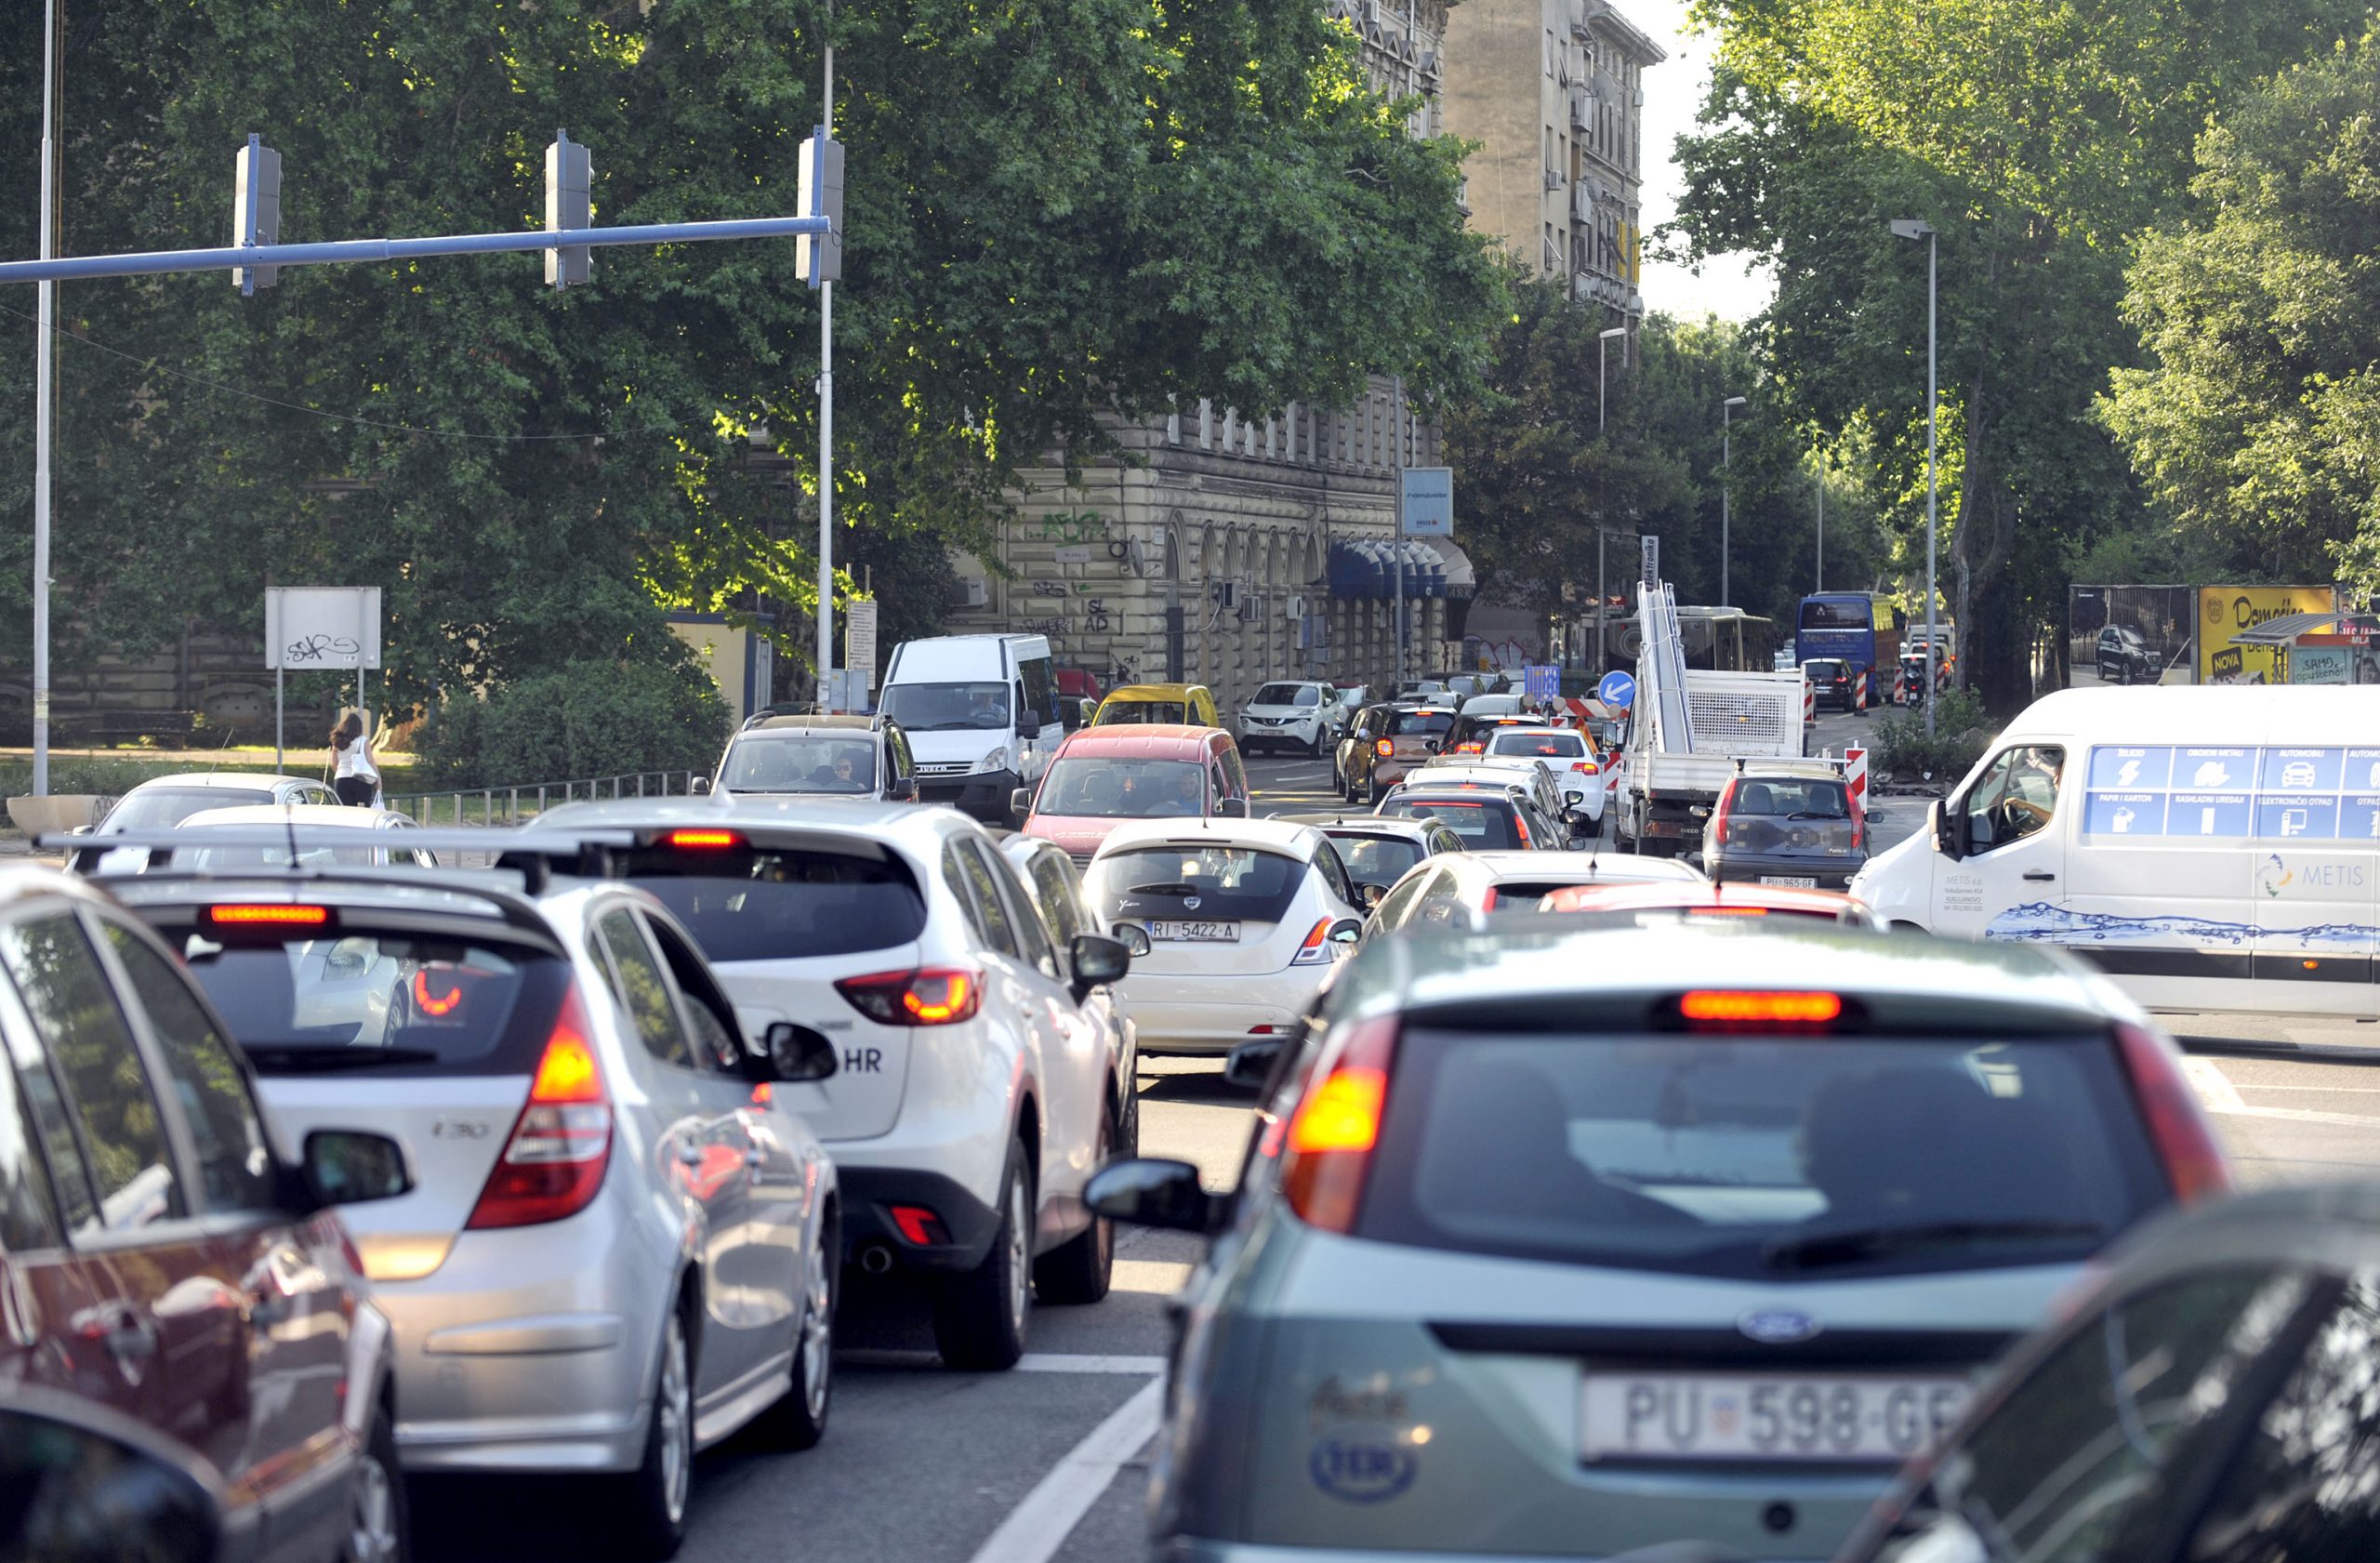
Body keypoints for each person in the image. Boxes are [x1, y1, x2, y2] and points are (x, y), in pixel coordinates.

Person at [329, 709, 381, 807]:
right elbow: (370, 760)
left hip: (341, 778)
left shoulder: (337, 741)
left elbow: (334, 764)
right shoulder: (363, 741)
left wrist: (342, 771)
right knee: (363, 810)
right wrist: (378, 778)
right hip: (360, 779)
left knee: (347, 811)